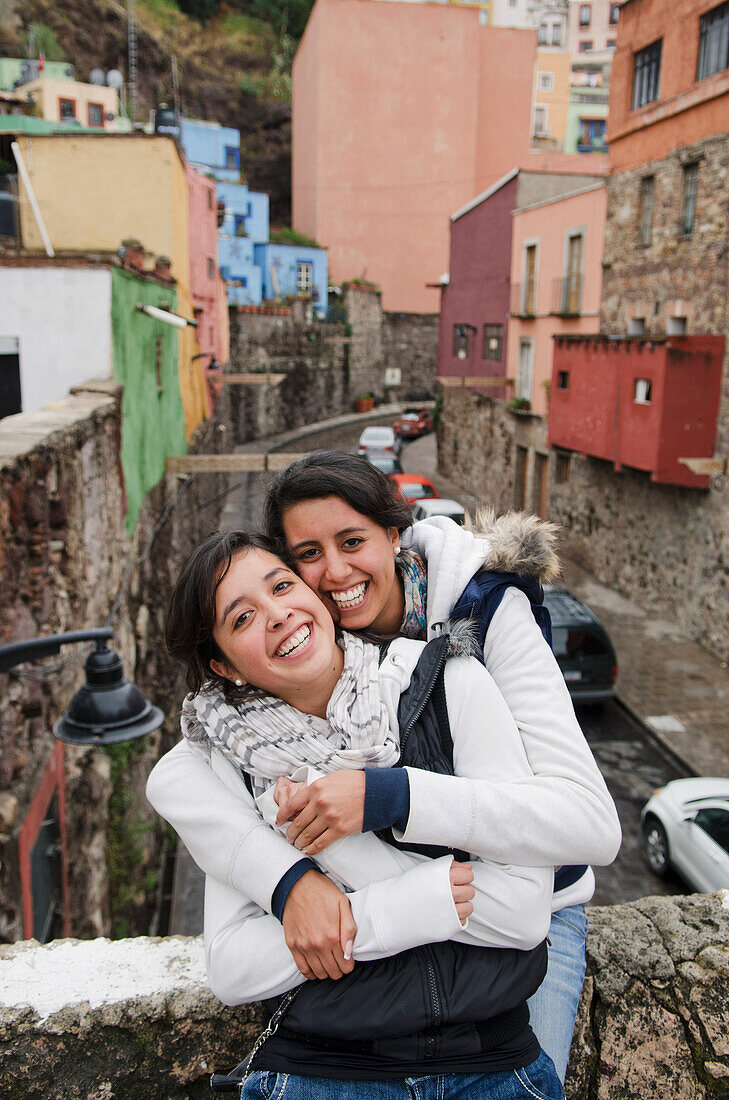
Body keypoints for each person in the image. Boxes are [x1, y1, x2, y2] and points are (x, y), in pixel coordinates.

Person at [147, 452, 621, 1084]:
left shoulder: (479, 620)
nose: (335, 572)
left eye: (352, 541)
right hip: (397, 962)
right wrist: (290, 883)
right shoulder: (282, 699)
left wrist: (391, 796)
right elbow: (183, 774)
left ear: (394, 535)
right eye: (307, 556)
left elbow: (588, 825)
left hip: (535, 902)